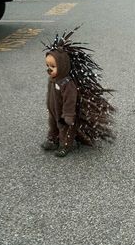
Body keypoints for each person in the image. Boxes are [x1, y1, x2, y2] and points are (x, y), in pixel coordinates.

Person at [41, 27, 115, 157]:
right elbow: (50, 95)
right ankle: (53, 139)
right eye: (48, 66)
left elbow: (70, 100)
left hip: (65, 114)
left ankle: (65, 145)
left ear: (63, 66)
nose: (49, 69)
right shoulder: (53, 80)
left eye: (53, 67)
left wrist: (67, 115)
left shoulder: (67, 84)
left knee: (65, 129)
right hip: (54, 110)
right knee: (53, 126)